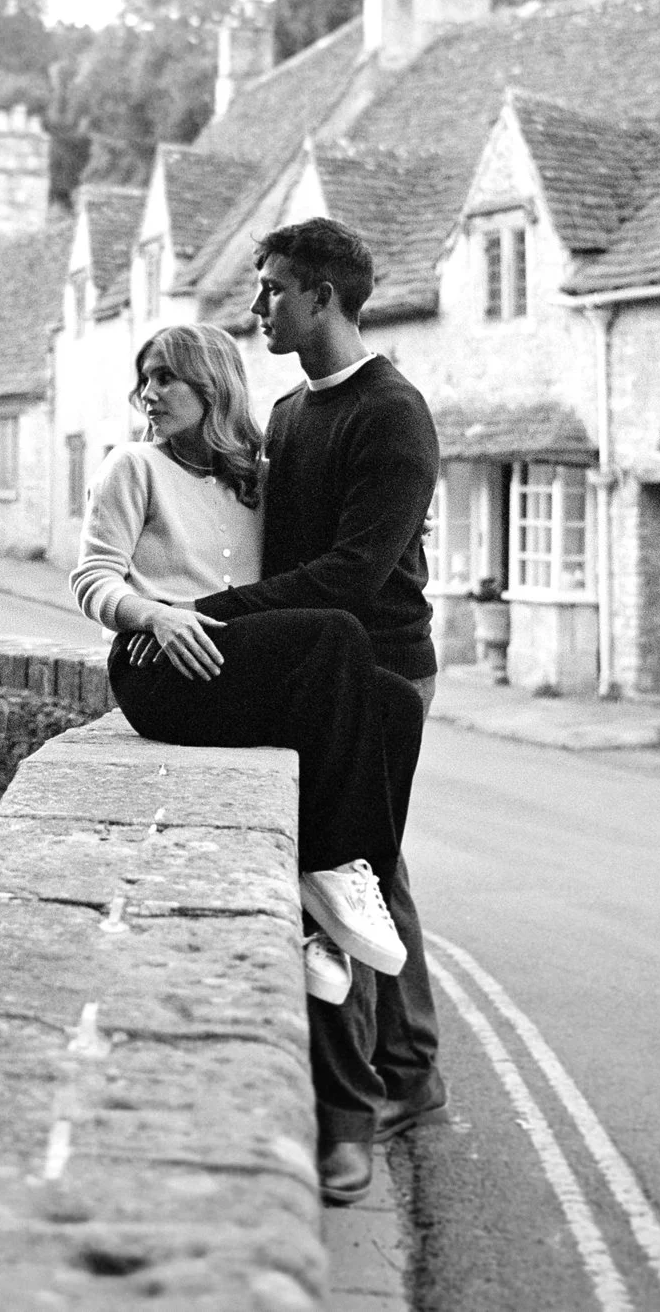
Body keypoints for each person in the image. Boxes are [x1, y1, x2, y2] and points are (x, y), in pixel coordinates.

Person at [189, 217, 445, 1207]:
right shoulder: (292, 411)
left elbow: (351, 574)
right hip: (314, 668)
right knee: (370, 859)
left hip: (380, 669)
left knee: (350, 864)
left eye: (272, 292)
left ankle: (380, 1096)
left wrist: (206, 616)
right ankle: (407, 1062)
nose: (258, 310)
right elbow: (270, 547)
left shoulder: (392, 414)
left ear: (324, 298)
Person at [70, 323, 425, 996]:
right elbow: (92, 577)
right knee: (338, 634)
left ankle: (337, 907)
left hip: (234, 664)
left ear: (213, 383)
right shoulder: (133, 466)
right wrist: (157, 613)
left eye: (166, 376)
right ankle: (328, 868)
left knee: (397, 704)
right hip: (156, 664)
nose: (149, 392)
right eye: (144, 378)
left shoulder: (258, 483)